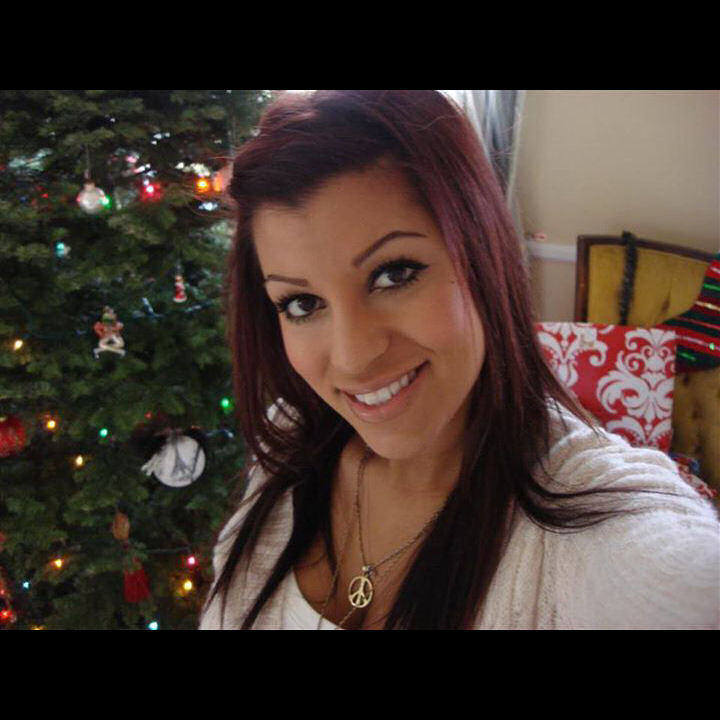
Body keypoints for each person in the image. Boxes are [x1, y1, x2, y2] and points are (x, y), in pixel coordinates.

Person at [199, 90, 719, 630]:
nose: (352, 358)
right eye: (302, 304)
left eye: (394, 274)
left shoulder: (596, 515)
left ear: (480, 254)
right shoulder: (289, 443)